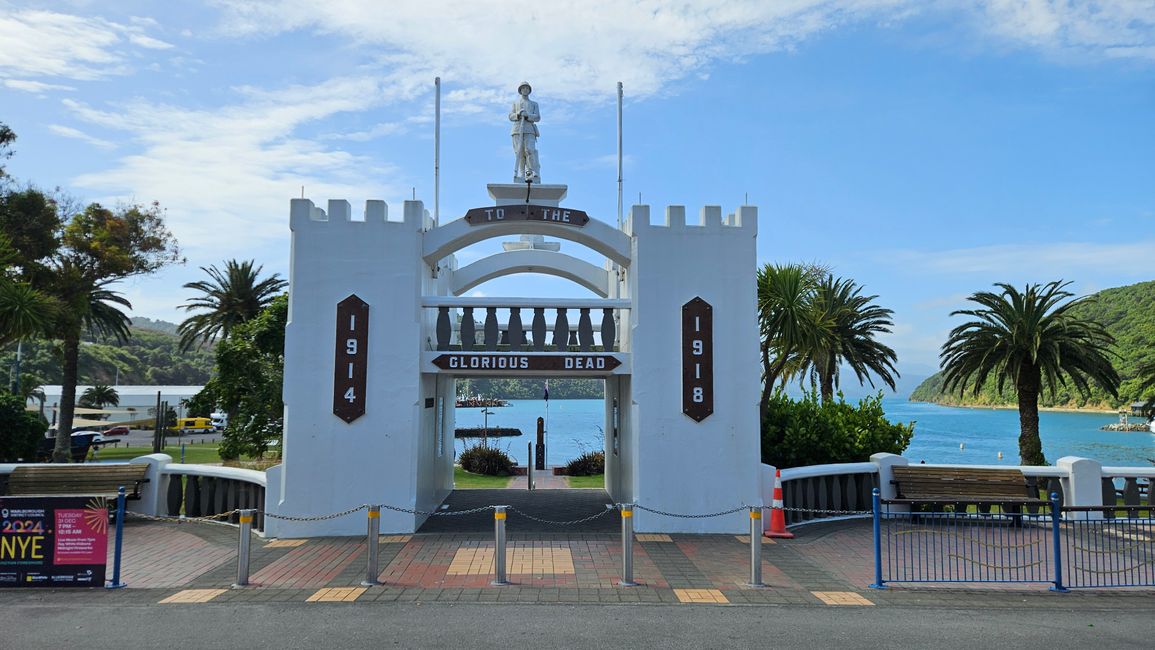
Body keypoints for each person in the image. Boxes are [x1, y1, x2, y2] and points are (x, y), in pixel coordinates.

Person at [509, 81, 541, 182]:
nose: (525, 90)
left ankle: (531, 172)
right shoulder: (515, 103)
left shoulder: (534, 104)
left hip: (529, 129)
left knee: (530, 150)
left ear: (529, 90)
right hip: (517, 129)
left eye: (527, 88)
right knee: (519, 152)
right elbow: (510, 116)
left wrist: (528, 115)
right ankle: (522, 173)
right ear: (520, 90)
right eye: (523, 88)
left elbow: (538, 117)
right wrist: (518, 114)